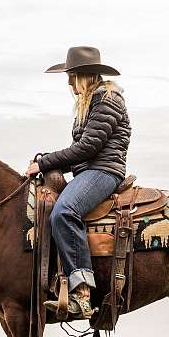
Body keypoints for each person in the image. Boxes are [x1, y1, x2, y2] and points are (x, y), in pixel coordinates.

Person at [25, 46, 131, 320]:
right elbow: (81, 152)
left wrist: (45, 162)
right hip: (90, 169)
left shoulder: (106, 100)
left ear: (84, 76)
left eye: (72, 76)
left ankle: (82, 293)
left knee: (64, 212)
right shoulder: (90, 103)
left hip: (104, 171)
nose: (70, 83)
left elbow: (88, 148)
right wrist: (50, 163)